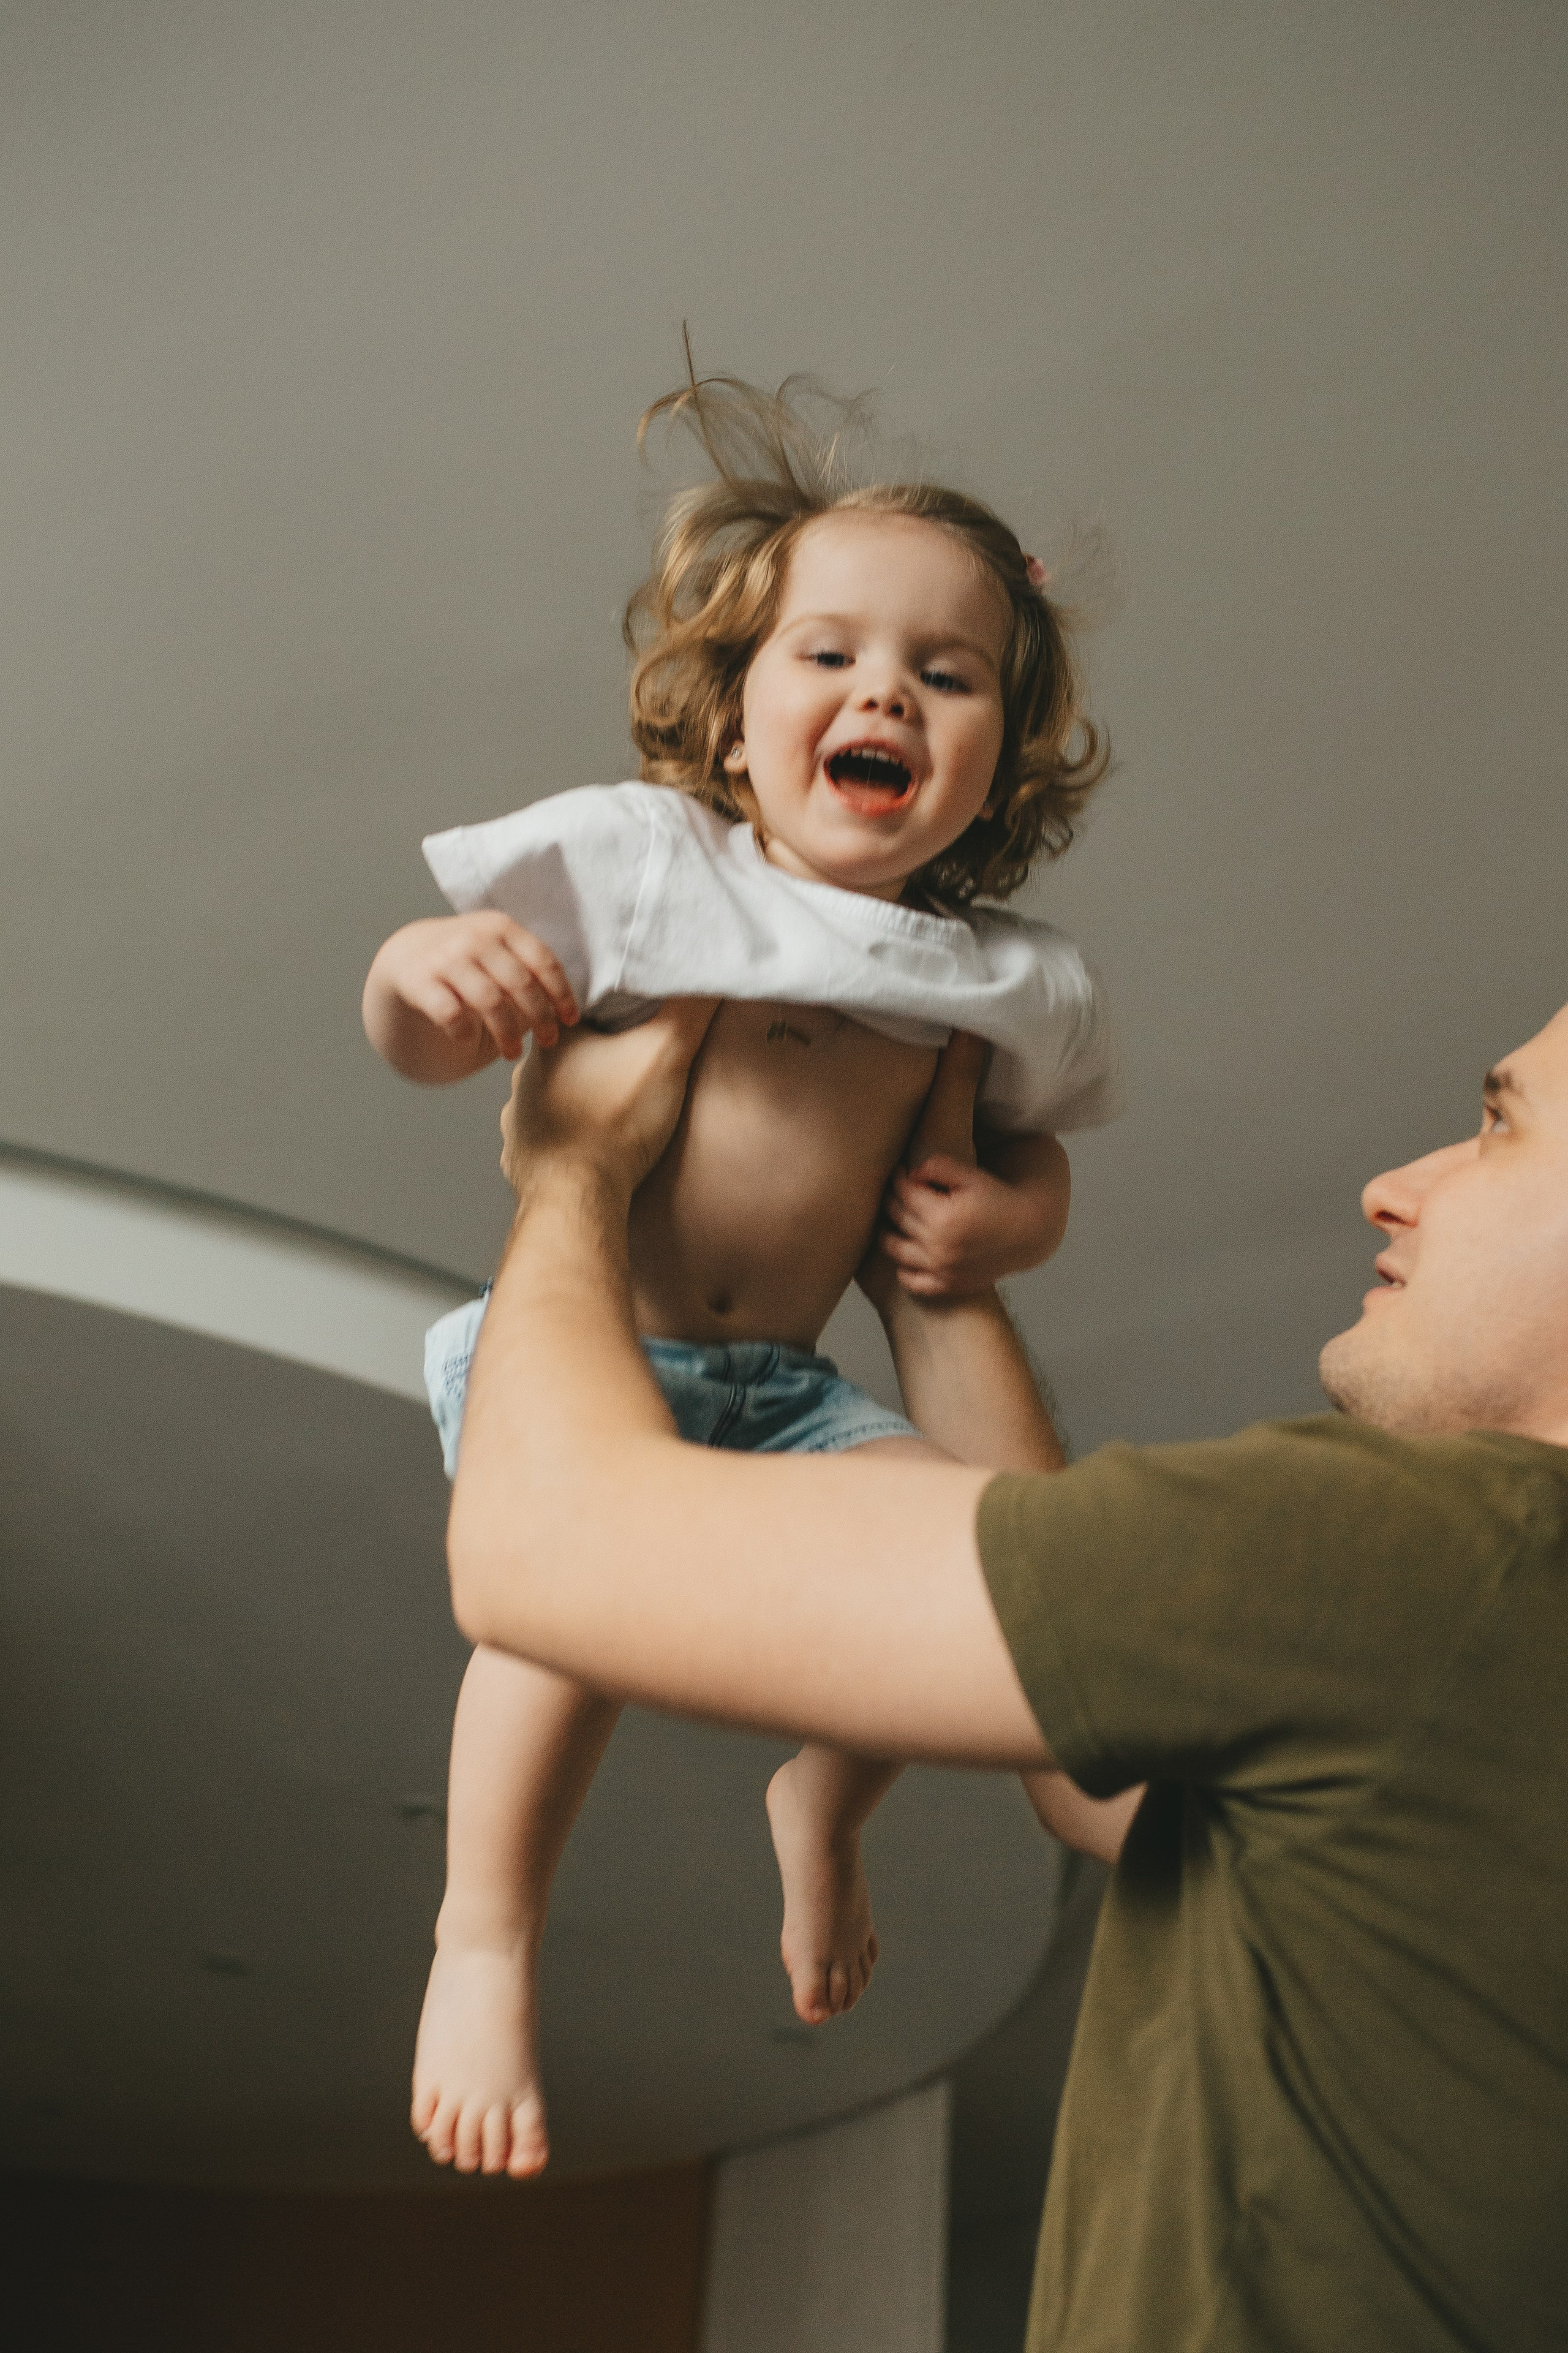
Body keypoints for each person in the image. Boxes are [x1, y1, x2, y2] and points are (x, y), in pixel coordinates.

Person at [445, 999, 1568, 2353]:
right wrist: (928, 1273)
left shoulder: (1445, 1548)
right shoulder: (1487, 1657)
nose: (1393, 1187)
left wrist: (572, 1171)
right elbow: (1102, 1793)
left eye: (1498, 1127)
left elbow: (540, 1549)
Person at [361, 365, 1129, 2178]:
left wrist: (1000, 1227)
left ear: (999, 760)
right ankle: (485, 1931)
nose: (887, 693)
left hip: (786, 1387)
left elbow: (1034, 1174)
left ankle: (827, 1801)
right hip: (598, 1364)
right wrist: (424, 975)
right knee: (559, 1634)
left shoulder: (1003, 978)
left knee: (956, 1556)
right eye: (832, 656)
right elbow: (419, 1027)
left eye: (946, 677)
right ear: (729, 719)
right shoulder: (649, 866)